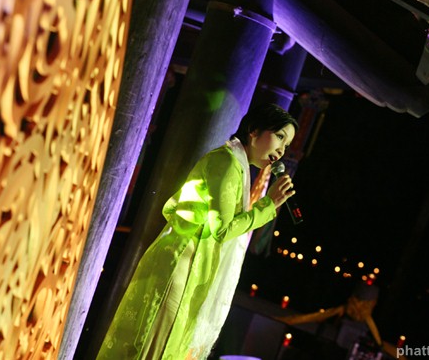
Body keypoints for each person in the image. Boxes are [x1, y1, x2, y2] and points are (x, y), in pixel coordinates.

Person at [96, 103, 299, 360]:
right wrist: (267, 205)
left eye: (287, 145)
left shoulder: (237, 166)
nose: (281, 150)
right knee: (154, 345)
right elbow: (222, 229)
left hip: (192, 265)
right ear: (254, 130)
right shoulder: (226, 162)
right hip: (181, 264)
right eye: (280, 136)